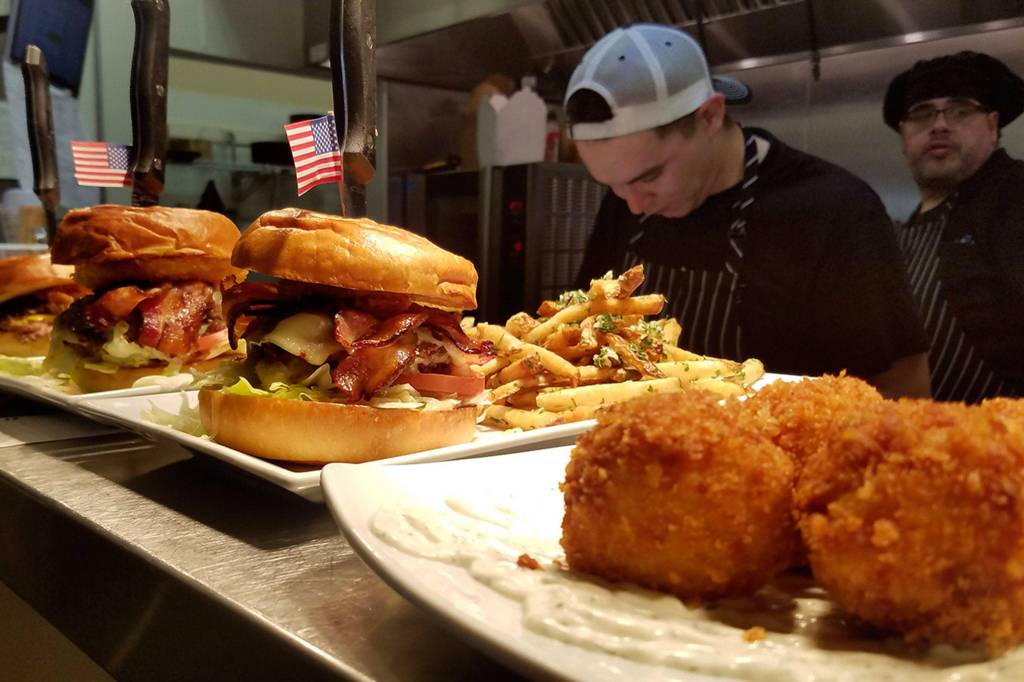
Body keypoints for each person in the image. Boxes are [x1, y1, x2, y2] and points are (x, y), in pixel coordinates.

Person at [566, 24, 930, 397]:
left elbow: (903, 387)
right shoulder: (627, 199)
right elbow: (586, 335)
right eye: (612, 185)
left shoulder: (834, 210)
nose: (634, 205)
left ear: (708, 116)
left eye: (650, 177)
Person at [884, 51, 1024, 402]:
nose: (940, 125)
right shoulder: (903, 232)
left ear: (993, 126)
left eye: (961, 110)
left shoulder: (1015, 196)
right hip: (918, 442)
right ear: (904, 136)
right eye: (922, 113)